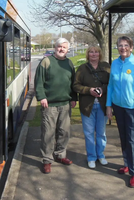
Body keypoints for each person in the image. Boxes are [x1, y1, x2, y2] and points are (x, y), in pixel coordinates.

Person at [106, 36, 134, 188]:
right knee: (124, 138)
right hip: (119, 107)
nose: (123, 48)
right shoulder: (115, 63)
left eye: (126, 45)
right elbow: (111, 86)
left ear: (131, 47)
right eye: (120, 45)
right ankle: (127, 164)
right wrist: (109, 106)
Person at [34, 38, 78, 174]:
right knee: (48, 133)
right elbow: (39, 82)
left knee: (64, 132)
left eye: (64, 47)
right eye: (59, 47)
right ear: (55, 47)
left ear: (67, 49)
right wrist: (42, 97)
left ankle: (60, 155)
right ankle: (47, 160)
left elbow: (72, 83)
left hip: (65, 104)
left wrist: (74, 98)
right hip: (50, 105)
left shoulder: (69, 63)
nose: (61, 49)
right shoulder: (46, 62)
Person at [73, 46, 111, 169]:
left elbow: (112, 84)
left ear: (99, 54)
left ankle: (100, 155)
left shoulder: (106, 66)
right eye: (91, 52)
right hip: (87, 106)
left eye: (96, 52)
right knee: (89, 133)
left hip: (102, 105)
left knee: (101, 133)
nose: (93, 54)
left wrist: (101, 89)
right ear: (88, 54)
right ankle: (91, 157)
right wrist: (89, 90)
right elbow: (76, 86)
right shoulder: (82, 69)